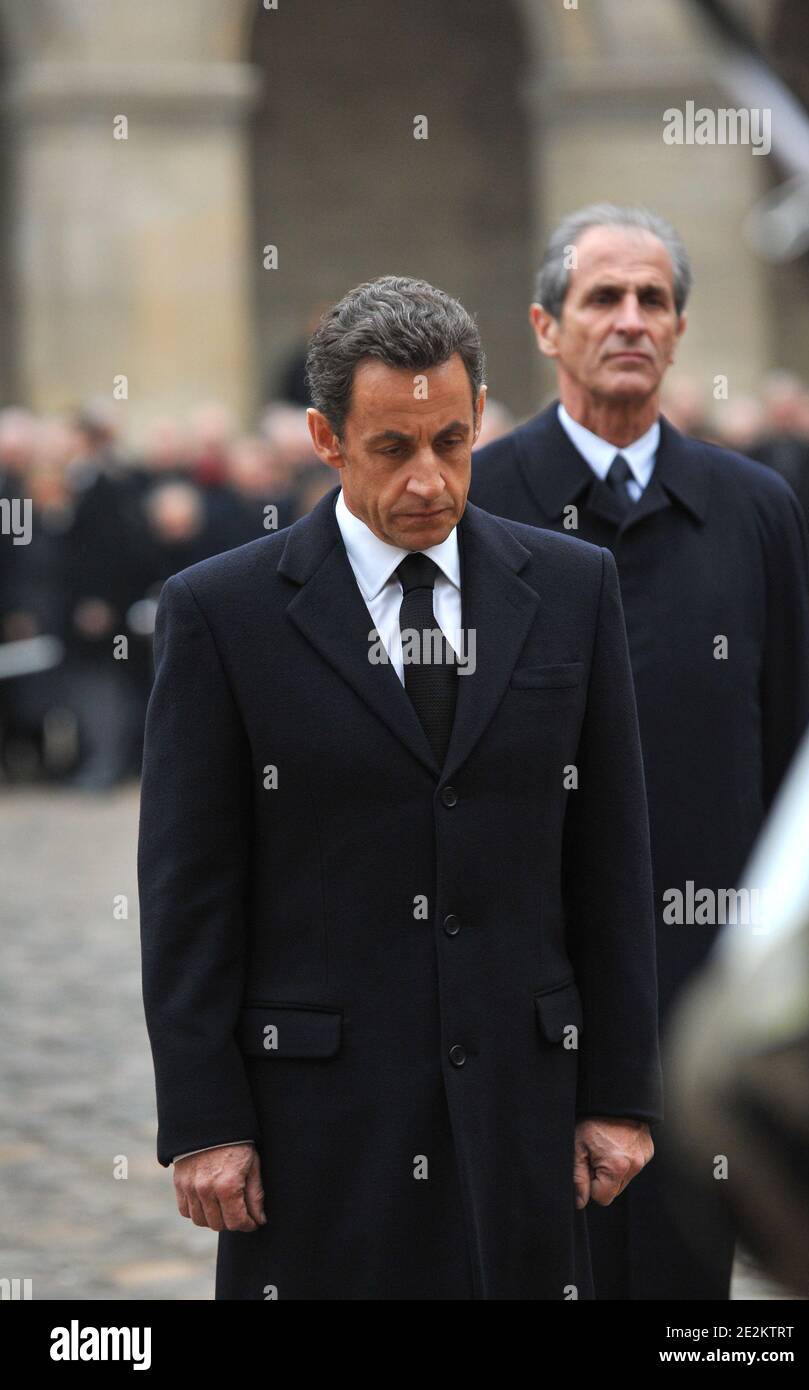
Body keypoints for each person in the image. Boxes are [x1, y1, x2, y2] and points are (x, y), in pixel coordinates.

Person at [138, 275, 661, 1301]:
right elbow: (189, 891)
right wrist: (205, 1119)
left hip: (522, 1103)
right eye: (392, 448)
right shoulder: (220, 612)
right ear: (326, 441)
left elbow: (611, 856)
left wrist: (619, 1094)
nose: (429, 479)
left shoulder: (570, 588)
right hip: (316, 1123)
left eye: (452, 443)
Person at [470, 204, 809, 1300]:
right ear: (544, 325)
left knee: (678, 1281)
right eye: (601, 298)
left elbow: (791, 748)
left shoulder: (753, 508)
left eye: (653, 300)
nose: (629, 320)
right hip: (523, 976)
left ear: (677, 329)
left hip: (694, 969)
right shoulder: (481, 502)